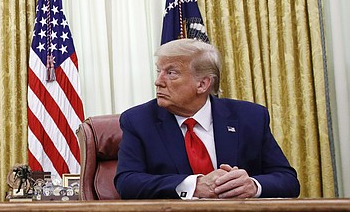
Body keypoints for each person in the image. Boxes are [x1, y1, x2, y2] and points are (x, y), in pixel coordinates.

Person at [115, 38, 299, 200]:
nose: (158, 81)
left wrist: (252, 185)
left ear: (202, 84)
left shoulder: (250, 117)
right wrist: (194, 185)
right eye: (159, 71)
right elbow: (127, 182)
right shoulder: (138, 121)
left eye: (171, 73)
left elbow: (288, 180)